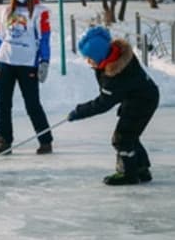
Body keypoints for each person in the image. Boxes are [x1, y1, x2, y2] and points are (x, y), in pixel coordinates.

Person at [67, 26, 159, 185]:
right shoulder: (118, 55)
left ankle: (128, 174)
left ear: (100, 56)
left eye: (90, 58)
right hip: (140, 96)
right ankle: (141, 168)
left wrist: (79, 111)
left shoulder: (115, 77)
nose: (88, 62)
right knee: (131, 135)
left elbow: (102, 104)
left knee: (122, 139)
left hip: (142, 102)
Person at [0, 0, 53, 156]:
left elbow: (44, 39)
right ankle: (4, 141)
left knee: (32, 104)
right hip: (6, 62)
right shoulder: (6, 11)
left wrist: (44, 61)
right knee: (2, 103)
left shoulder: (40, 11)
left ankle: (45, 140)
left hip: (28, 63)